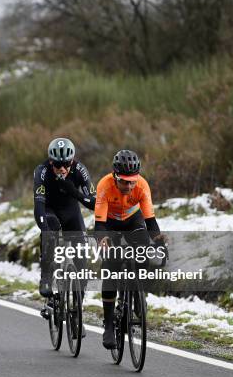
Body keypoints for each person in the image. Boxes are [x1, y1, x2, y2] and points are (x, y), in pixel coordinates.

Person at [94, 149, 167, 349]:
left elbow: (150, 221)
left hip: (133, 220)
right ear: (115, 176)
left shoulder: (142, 186)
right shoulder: (104, 185)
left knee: (143, 250)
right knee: (110, 266)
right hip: (109, 224)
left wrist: (160, 243)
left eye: (132, 181)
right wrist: (103, 241)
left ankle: (137, 292)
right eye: (124, 181)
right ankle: (108, 325)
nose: (128, 186)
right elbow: (99, 224)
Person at [33, 138, 95, 297]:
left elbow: (93, 203)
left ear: (72, 161)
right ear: (51, 162)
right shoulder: (42, 171)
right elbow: (39, 205)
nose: (62, 168)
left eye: (66, 164)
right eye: (58, 165)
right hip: (49, 209)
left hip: (71, 212)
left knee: (81, 258)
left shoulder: (80, 169)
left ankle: (78, 303)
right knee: (50, 231)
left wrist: (73, 191)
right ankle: (46, 276)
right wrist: (45, 231)